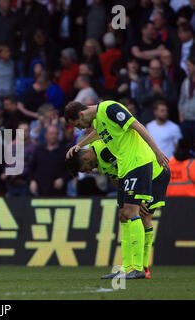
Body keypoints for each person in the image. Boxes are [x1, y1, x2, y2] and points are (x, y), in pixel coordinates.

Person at [64, 99, 169, 279]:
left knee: (133, 212)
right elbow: (98, 133)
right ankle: (127, 267)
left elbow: (137, 125)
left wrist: (157, 151)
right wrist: (79, 144)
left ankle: (139, 267)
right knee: (123, 214)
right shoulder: (98, 121)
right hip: (126, 167)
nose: (81, 129)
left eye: (78, 124)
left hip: (138, 162)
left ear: (81, 114)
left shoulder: (109, 108)